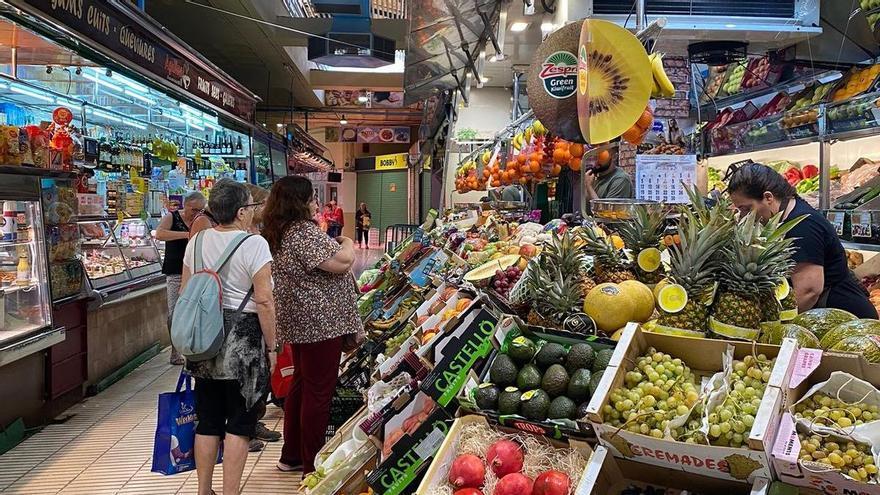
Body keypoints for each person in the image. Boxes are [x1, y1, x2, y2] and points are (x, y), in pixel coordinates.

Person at [261, 176, 363, 476]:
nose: (317, 203)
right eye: (312, 198)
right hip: (320, 324)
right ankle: (312, 465)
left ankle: (291, 455)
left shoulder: (279, 231)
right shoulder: (303, 232)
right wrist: (346, 241)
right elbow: (341, 262)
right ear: (300, 201)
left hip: (300, 321)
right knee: (319, 391)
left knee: (302, 385)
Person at [180, 179, 277, 495]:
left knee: (207, 420)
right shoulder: (254, 244)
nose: (252, 212)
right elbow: (264, 300)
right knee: (239, 422)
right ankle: (230, 492)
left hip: (204, 338)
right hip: (243, 339)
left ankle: (203, 490)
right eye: (250, 206)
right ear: (239, 212)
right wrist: (272, 347)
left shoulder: (197, 241)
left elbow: (185, 293)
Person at [727, 162, 877, 318]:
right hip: (825, 314)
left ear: (768, 197)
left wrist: (776, 324)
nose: (744, 216)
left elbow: (809, 291)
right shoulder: (789, 213)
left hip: (844, 317)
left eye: (746, 208)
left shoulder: (803, 225)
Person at [241, 183, 282, 452]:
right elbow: (262, 296)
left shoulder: (259, 233)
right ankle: (243, 429)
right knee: (248, 377)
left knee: (257, 378)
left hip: (254, 312)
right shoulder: (247, 238)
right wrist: (272, 343)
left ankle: (252, 421)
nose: (267, 208)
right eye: (263, 203)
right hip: (248, 316)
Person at [156, 191, 206, 365]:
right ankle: (175, 351)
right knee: (175, 313)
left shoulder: (203, 220)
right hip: (176, 271)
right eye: (193, 209)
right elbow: (159, 233)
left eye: (200, 210)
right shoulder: (173, 217)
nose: (196, 213)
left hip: (197, 272)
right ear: (185, 205)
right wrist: (186, 235)